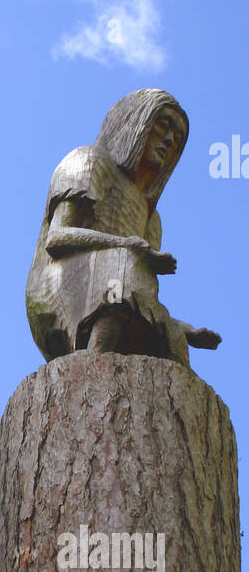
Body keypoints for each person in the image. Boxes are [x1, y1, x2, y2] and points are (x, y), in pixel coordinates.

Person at [26, 88, 221, 367]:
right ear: (135, 123)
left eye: (176, 138)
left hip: (116, 284)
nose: (168, 140)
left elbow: (143, 294)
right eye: (162, 126)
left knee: (171, 334)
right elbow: (57, 238)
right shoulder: (90, 161)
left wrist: (181, 327)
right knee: (125, 263)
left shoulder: (151, 218)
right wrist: (126, 245)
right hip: (60, 288)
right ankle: (95, 362)